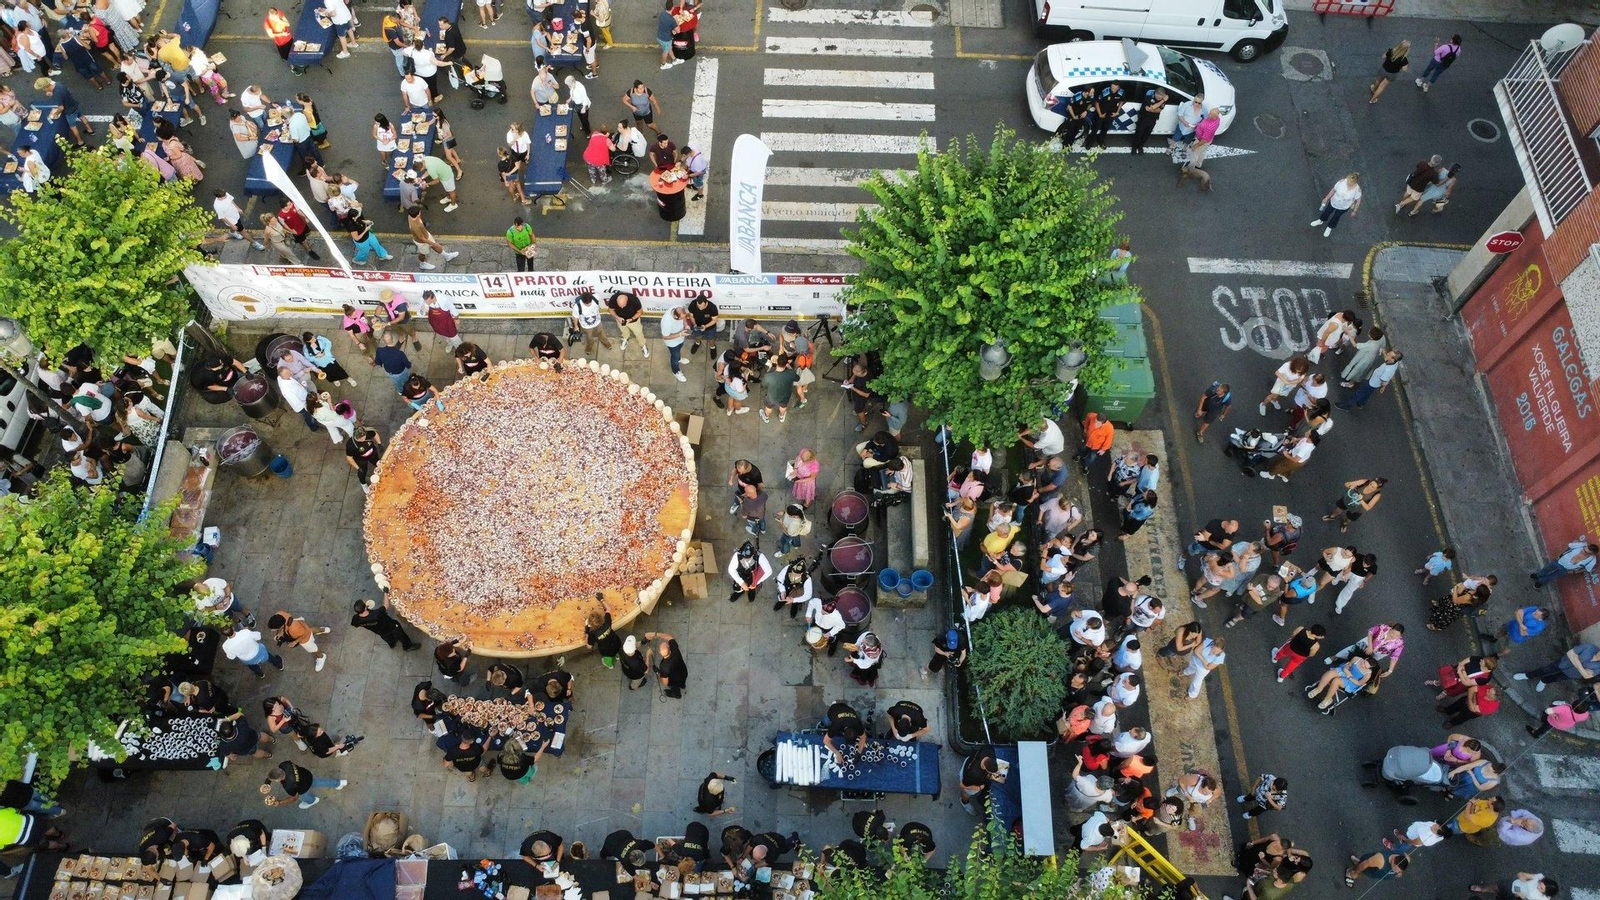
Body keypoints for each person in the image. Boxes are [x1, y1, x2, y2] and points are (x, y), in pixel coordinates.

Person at [1514, 641, 1599, 692]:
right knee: (1545, 670)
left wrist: (1576, 660)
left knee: (1556, 678)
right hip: (1563, 662)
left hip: (1572, 674)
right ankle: (1527, 675)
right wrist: (1583, 669)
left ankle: (1544, 681)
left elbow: (1587, 676)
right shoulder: (1590, 647)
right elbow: (1570, 653)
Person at [260, 760, 346, 809]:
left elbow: (294, 798)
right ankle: (339, 783)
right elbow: (279, 772)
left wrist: (279, 802)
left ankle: (312, 801)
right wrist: (267, 783)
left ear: (279, 779)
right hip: (307, 776)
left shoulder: (288, 786)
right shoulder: (284, 765)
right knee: (320, 781)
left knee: (303, 796)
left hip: (303, 788)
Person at [1337, 349, 1401, 410]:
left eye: (1389, 354)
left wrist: (1383, 387)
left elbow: (1384, 381)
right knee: (1367, 393)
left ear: (1393, 359)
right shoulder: (1395, 363)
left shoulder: (1388, 369)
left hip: (1372, 383)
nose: (1387, 353)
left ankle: (1346, 405)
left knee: (1358, 393)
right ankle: (1361, 403)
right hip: (1374, 383)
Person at [350, 598, 420, 650]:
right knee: (401, 634)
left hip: (380, 631)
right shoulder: (376, 614)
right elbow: (386, 605)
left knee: (387, 637)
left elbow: (355, 624)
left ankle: (392, 644)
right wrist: (385, 592)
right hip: (390, 626)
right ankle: (407, 646)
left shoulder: (355, 619)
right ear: (365, 608)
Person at [406, 206, 460, 270]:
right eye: (420, 212)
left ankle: (447, 256)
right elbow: (421, 238)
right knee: (423, 253)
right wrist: (434, 244)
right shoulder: (416, 226)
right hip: (422, 242)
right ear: (418, 214)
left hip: (426, 235)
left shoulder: (410, 216)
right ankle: (422, 264)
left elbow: (420, 222)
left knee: (436, 247)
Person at [1530, 538, 1598, 588]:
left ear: (1592, 554)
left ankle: (1540, 582)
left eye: (1586, 552)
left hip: (1566, 570)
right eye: (1584, 549)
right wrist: (1560, 555)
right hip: (1560, 561)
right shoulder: (1581, 545)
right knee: (1547, 568)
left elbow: (1587, 569)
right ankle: (1538, 575)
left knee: (1552, 576)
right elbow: (1569, 546)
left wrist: (1574, 572)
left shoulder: (1592, 561)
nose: (1583, 551)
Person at [1480, 606, 1550, 655]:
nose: (1533, 613)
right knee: (1500, 631)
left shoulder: (1539, 627)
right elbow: (1518, 612)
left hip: (1516, 637)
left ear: (1540, 619)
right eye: (1535, 612)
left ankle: (1498, 655)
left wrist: (1519, 618)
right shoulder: (1534, 608)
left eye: (1535, 615)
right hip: (1510, 625)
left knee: (1509, 647)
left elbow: (1522, 633)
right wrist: (1521, 624)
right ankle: (1494, 638)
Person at [1310, 173, 1362, 238]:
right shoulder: (1342, 182)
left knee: (1336, 217)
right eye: (1347, 180)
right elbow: (1334, 190)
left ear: (1354, 182)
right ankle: (1321, 220)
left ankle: (1330, 227)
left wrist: (1354, 211)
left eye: (1349, 182)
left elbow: (1358, 201)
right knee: (1327, 212)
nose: (1347, 182)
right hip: (1334, 202)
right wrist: (1326, 198)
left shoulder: (1357, 190)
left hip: (1343, 207)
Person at [822, 701, 867, 766]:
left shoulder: (857, 723)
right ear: (843, 734)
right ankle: (832, 705)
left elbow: (863, 737)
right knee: (826, 722)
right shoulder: (836, 725)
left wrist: (859, 753)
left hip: (847, 709)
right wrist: (837, 753)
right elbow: (825, 741)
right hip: (834, 709)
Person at [646, 631, 687, 698]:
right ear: (670, 649)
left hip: (674, 681)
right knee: (682, 682)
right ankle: (683, 686)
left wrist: (658, 672)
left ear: (659, 652)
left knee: (675, 687)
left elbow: (665, 683)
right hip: (683, 672)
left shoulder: (664, 667)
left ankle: (677, 695)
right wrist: (655, 634)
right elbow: (669, 637)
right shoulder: (674, 649)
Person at [1130, 85, 1167, 153]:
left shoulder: (1163, 99)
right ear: (1155, 93)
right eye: (1158, 97)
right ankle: (1134, 146)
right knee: (1139, 133)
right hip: (1144, 117)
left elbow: (1159, 110)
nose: (1159, 99)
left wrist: (1153, 108)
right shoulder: (1148, 97)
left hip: (1153, 119)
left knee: (1147, 134)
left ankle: (1140, 145)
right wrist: (1161, 102)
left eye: (1161, 98)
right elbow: (1150, 108)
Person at [660, 306, 689, 382]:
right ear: (676, 316)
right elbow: (664, 337)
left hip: (680, 338)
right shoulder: (667, 323)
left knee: (679, 349)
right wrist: (680, 334)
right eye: (681, 318)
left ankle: (679, 358)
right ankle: (676, 371)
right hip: (672, 343)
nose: (683, 319)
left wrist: (686, 324)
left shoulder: (678, 307)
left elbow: (684, 317)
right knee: (674, 356)